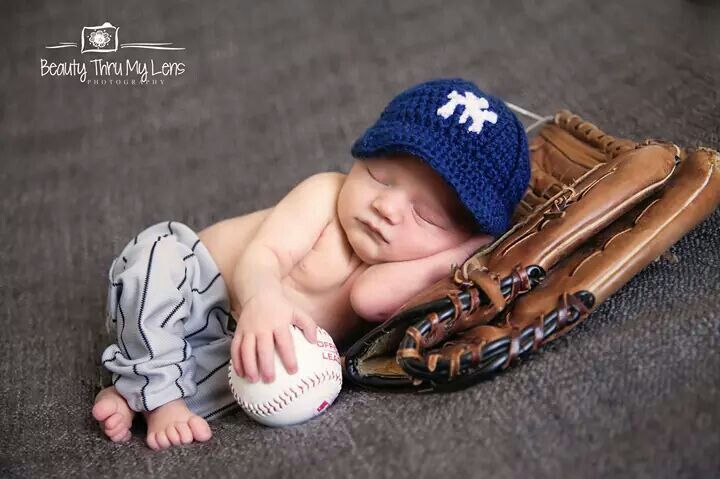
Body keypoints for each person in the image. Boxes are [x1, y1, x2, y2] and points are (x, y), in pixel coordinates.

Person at [91, 78, 530, 449]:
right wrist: (264, 298)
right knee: (156, 258)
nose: (388, 207)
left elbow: (370, 300)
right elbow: (261, 256)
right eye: (379, 176)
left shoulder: (399, 269)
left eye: (426, 215)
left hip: (230, 340)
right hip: (195, 285)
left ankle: (134, 394)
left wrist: (461, 255)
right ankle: (160, 396)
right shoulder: (324, 195)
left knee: (260, 376)